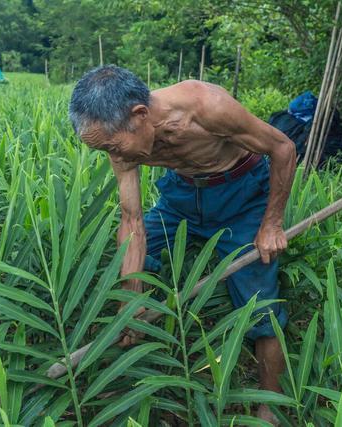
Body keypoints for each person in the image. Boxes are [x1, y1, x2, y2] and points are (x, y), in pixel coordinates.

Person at [68, 65, 296, 424]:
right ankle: (131, 370)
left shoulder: (207, 107)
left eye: (113, 147)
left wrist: (272, 224)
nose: (114, 156)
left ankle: (270, 404)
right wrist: (133, 298)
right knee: (124, 268)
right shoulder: (118, 142)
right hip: (181, 198)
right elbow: (132, 222)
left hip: (241, 197)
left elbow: (283, 148)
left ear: (139, 115)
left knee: (259, 300)